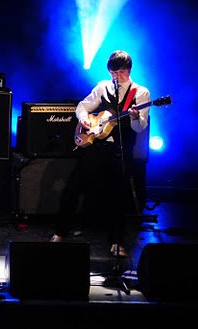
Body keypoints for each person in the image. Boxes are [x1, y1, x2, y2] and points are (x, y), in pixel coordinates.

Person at [50, 50, 150, 256]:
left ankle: (116, 241)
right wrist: (84, 119)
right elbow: (83, 106)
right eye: (114, 72)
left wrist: (133, 117)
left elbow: (140, 128)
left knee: (119, 196)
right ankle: (60, 231)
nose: (117, 76)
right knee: (73, 187)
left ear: (129, 70)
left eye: (121, 72)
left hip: (120, 150)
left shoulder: (141, 93)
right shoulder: (103, 86)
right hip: (96, 146)